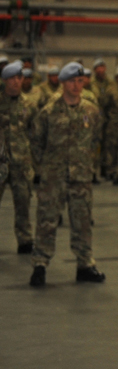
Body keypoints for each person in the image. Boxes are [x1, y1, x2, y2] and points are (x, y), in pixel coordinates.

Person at [29, 62, 104, 286]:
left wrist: (86, 162)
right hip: (54, 176)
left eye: (80, 81)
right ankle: (40, 264)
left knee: (82, 221)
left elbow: (96, 139)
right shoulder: (49, 111)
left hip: (81, 174)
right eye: (72, 81)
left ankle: (85, 264)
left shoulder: (91, 110)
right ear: (62, 83)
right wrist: (46, 167)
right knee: (47, 220)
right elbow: (36, 141)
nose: (76, 85)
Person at [0, 61, 36, 254]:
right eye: (11, 78)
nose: (15, 82)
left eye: (18, 78)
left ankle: (24, 238)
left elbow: (36, 134)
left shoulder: (29, 105)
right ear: (4, 81)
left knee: (23, 201)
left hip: (22, 162)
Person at [100, 65, 118, 180]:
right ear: (117, 78)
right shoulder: (111, 90)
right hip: (113, 123)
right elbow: (104, 106)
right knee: (111, 148)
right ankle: (110, 170)